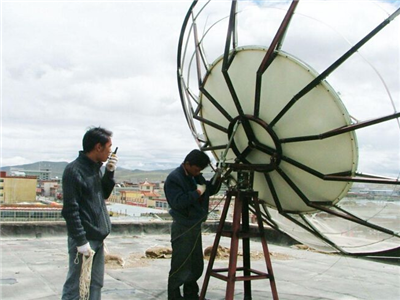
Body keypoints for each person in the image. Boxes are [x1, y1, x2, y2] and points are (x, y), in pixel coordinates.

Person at [61, 127, 118, 300]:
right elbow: (70, 210)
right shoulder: (74, 171)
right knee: (76, 287)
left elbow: (103, 195)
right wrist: (80, 241)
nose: (110, 151)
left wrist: (109, 173)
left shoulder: (95, 169)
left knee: (95, 285)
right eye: (109, 147)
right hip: (85, 239)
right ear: (98, 147)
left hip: (98, 238)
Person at [164, 149, 222, 300]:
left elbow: (209, 190)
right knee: (180, 265)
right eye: (196, 169)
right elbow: (178, 202)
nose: (198, 172)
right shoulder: (174, 178)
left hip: (194, 226)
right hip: (183, 227)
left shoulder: (196, 176)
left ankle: (191, 295)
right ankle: (174, 297)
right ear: (187, 164)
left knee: (195, 265)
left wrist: (218, 176)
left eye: (200, 170)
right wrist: (197, 193)